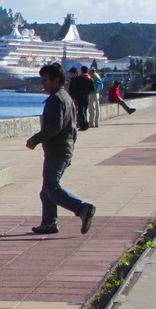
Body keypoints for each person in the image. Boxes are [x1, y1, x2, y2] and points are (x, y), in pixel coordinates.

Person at [26, 63, 96, 235]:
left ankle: (81, 209)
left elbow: (54, 127)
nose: (43, 83)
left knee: (52, 188)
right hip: (63, 149)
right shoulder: (66, 97)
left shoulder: (56, 99)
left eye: (45, 79)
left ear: (56, 80)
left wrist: (35, 139)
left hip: (57, 150)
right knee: (46, 191)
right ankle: (49, 222)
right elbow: (73, 126)